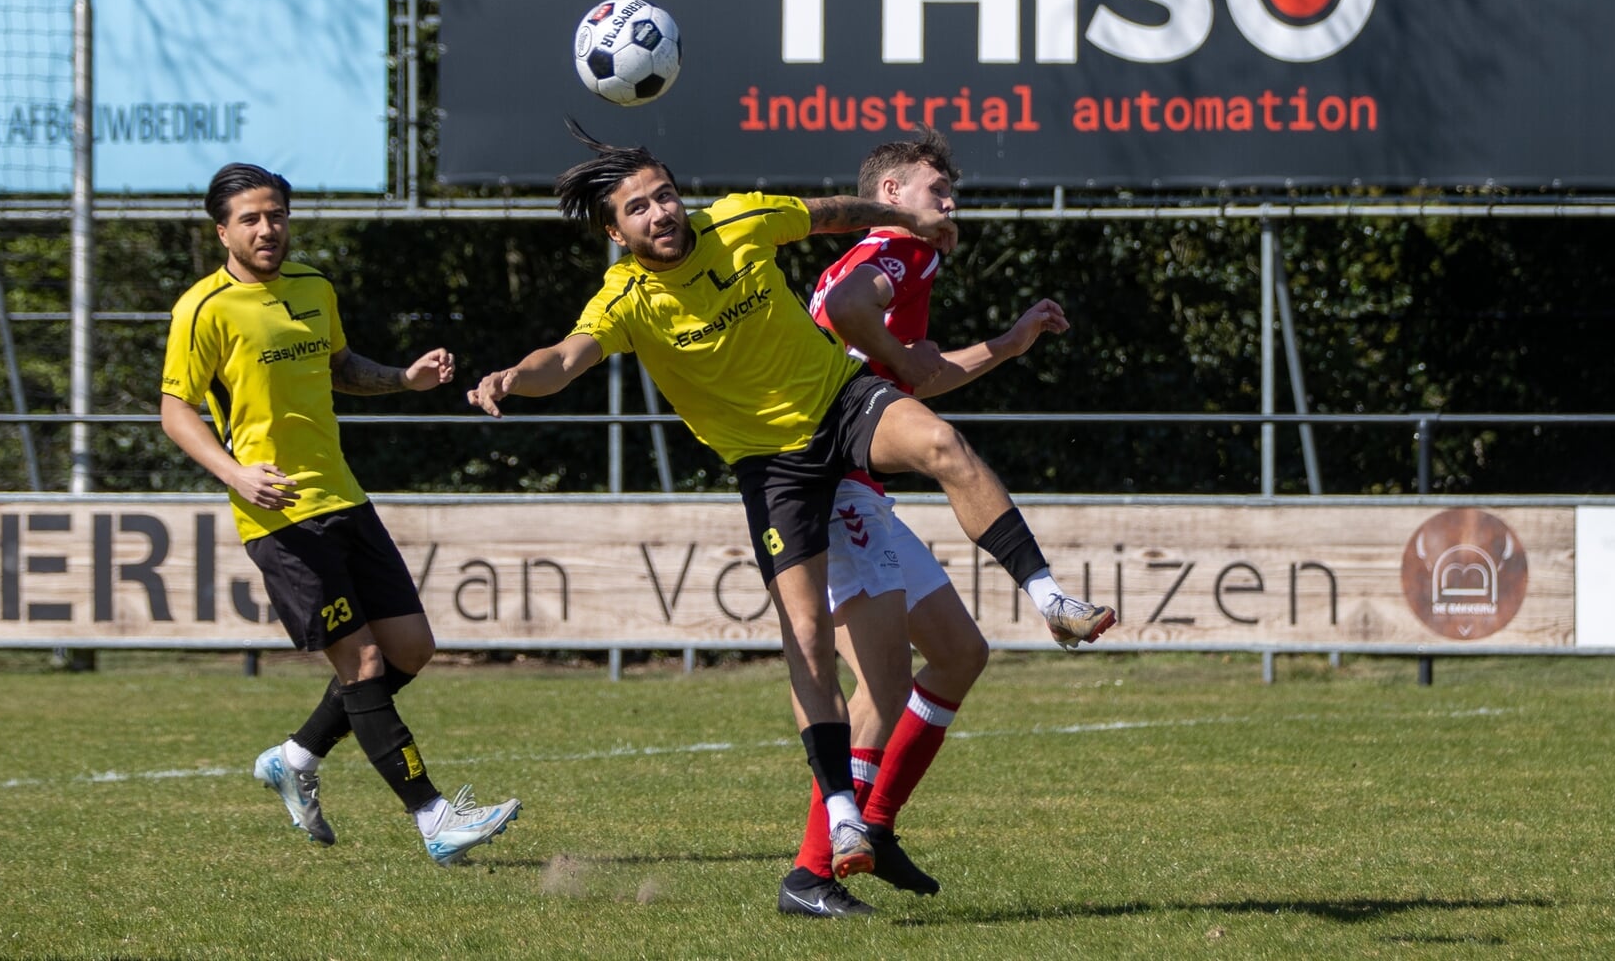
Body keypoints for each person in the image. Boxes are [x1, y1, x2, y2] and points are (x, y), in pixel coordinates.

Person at [467, 122, 1114, 914]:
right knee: (817, 643)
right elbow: (563, 359)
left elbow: (833, 211)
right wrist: (512, 378)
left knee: (942, 447)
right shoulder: (626, 302)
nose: (662, 213)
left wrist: (908, 220)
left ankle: (1050, 600)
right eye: (640, 208)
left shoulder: (738, 220)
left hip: (838, 403)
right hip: (773, 469)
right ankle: (841, 831)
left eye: (666, 194)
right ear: (615, 232)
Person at [781, 127, 1114, 916]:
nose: (951, 203)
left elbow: (922, 374)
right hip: (832, 487)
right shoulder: (896, 252)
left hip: (858, 484)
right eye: (938, 190)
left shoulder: (893, 260)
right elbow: (870, 321)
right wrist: (883, 357)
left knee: (961, 653)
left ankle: (878, 825)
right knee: (884, 682)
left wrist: (1006, 342)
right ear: (890, 195)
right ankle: (811, 871)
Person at [159, 162, 520, 866]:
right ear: (222, 231)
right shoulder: (202, 309)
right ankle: (434, 817)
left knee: (411, 649)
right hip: (280, 516)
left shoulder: (314, 288)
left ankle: (295, 757)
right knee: (361, 662)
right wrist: (236, 474)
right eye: (251, 219)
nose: (268, 229)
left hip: (344, 497)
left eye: (277, 215)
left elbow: (340, 366)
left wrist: (405, 379)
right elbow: (177, 410)